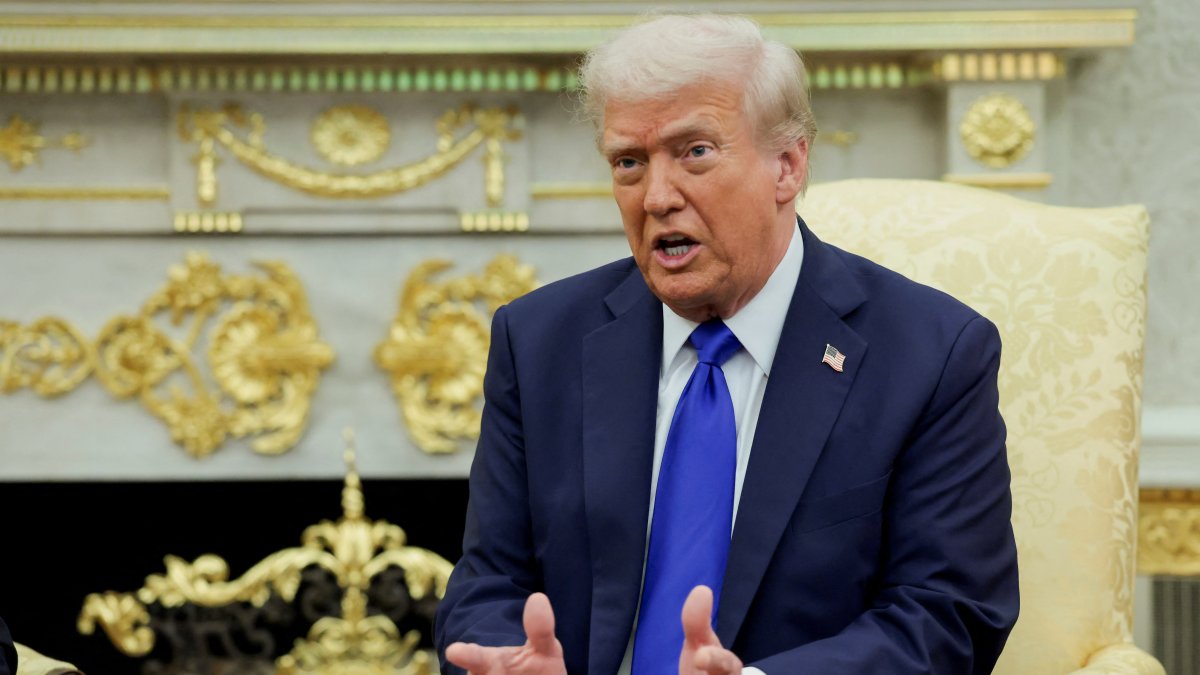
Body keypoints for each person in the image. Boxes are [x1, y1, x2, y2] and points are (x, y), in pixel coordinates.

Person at [434, 13, 1018, 675]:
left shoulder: (932, 355)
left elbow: (948, 614)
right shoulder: (539, 340)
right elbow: (486, 583)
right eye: (629, 162)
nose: (656, 197)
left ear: (787, 166)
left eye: (695, 153)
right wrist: (510, 660)